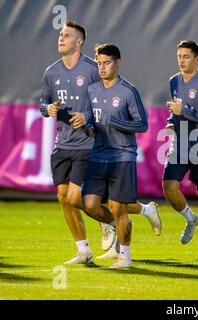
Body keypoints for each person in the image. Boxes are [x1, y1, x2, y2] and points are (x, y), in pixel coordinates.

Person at [39, 22, 162, 265]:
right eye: (60, 35)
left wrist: (95, 120)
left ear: (79, 42)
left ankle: (112, 227)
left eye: (66, 35)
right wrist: (48, 109)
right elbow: (43, 102)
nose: (60, 38)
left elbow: (111, 99)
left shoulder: (94, 70)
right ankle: (84, 250)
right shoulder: (51, 72)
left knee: (82, 199)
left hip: (90, 143)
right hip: (62, 142)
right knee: (66, 199)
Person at [82, 44, 150, 268]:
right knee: (89, 204)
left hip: (122, 156)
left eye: (107, 62)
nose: (102, 67)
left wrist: (114, 122)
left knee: (119, 208)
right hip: (98, 155)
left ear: (118, 63)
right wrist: (89, 127)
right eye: (99, 62)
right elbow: (92, 120)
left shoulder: (128, 91)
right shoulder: (91, 90)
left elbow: (142, 124)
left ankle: (125, 256)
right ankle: (113, 227)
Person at [162, 40, 198, 258]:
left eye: (186, 57)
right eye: (179, 56)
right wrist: (170, 120)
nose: (182, 61)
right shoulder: (174, 81)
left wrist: (183, 111)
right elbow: (175, 110)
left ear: (197, 59)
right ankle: (190, 218)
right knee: (169, 187)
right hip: (179, 144)